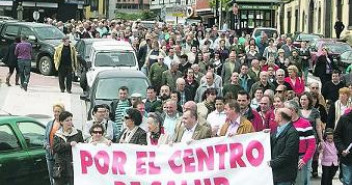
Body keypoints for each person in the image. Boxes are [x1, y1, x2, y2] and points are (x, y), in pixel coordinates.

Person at [285, 100, 316, 185]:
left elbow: (312, 144)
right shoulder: (284, 123)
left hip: (300, 159)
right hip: (288, 158)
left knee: (301, 183)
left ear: (293, 110)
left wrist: (304, 159)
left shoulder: (305, 123)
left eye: (285, 109)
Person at [269, 107, 299, 185]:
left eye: (276, 113)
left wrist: (272, 163)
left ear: (280, 117)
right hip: (275, 175)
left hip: (285, 176)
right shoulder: (276, 131)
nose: (274, 115)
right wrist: (265, 135)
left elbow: (288, 154)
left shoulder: (292, 133)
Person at [53, 111, 84, 185]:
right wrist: (69, 144)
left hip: (73, 165)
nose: (70, 122)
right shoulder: (57, 134)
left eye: (71, 120)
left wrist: (80, 145)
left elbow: (82, 146)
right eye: (67, 120)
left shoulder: (78, 133)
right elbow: (56, 147)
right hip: (61, 166)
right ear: (61, 122)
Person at [44, 103, 65, 185]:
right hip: (49, 155)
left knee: (59, 178)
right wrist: (47, 145)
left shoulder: (65, 124)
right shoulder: (50, 123)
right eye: (55, 111)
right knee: (51, 177)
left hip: (59, 156)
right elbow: (45, 138)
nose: (56, 113)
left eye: (58, 111)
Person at [334, 111, 352, 185]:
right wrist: (342, 149)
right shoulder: (344, 119)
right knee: (347, 181)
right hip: (347, 157)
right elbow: (337, 136)